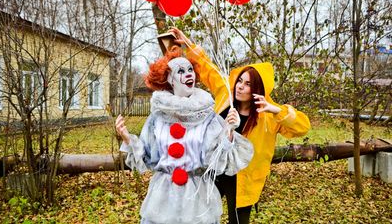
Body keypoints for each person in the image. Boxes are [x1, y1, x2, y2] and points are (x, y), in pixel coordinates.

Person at [170, 27, 311, 224]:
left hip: (244, 180)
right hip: (215, 172)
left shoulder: (269, 114)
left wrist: (277, 111)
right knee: (200, 217)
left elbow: (302, 127)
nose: (240, 86)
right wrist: (187, 43)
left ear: (257, 90)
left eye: (247, 84)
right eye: (240, 81)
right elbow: (207, 68)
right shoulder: (226, 93)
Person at [115, 46, 253, 224]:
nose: (189, 74)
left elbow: (217, 161)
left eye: (190, 70)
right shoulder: (157, 117)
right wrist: (127, 138)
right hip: (163, 197)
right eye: (181, 71)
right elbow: (148, 159)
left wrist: (229, 130)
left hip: (197, 199)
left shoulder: (207, 116)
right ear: (170, 80)